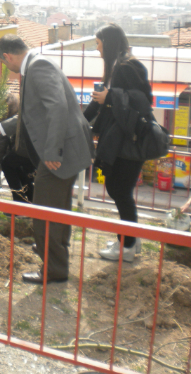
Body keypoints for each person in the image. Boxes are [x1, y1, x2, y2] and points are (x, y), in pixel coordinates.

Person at [0, 35, 94, 284]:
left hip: (59, 153)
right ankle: (57, 254)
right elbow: (31, 114)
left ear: (7, 57)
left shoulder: (37, 67)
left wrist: (53, 151)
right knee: (57, 209)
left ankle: (53, 267)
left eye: (3, 63)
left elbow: (56, 107)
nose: (6, 68)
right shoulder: (36, 64)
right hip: (64, 150)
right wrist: (2, 127)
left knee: (45, 209)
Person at [84, 24, 152, 262]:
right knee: (118, 189)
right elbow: (102, 103)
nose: (97, 48)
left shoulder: (126, 67)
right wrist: (81, 119)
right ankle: (131, 239)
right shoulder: (118, 67)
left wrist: (109, 97)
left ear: (108, 43)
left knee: (119, 189)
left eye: (98, 43)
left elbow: (142, 102)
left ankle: (128, 246)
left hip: (130, 142)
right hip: (124, 141)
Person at [0, 93, 36, 204]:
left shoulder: (9, 121)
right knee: (21, 171)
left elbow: (1, 145)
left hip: (23, 153)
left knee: (7, 163)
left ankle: (20, 203)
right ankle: (29, 201)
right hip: (32, 154)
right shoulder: (22, 114)